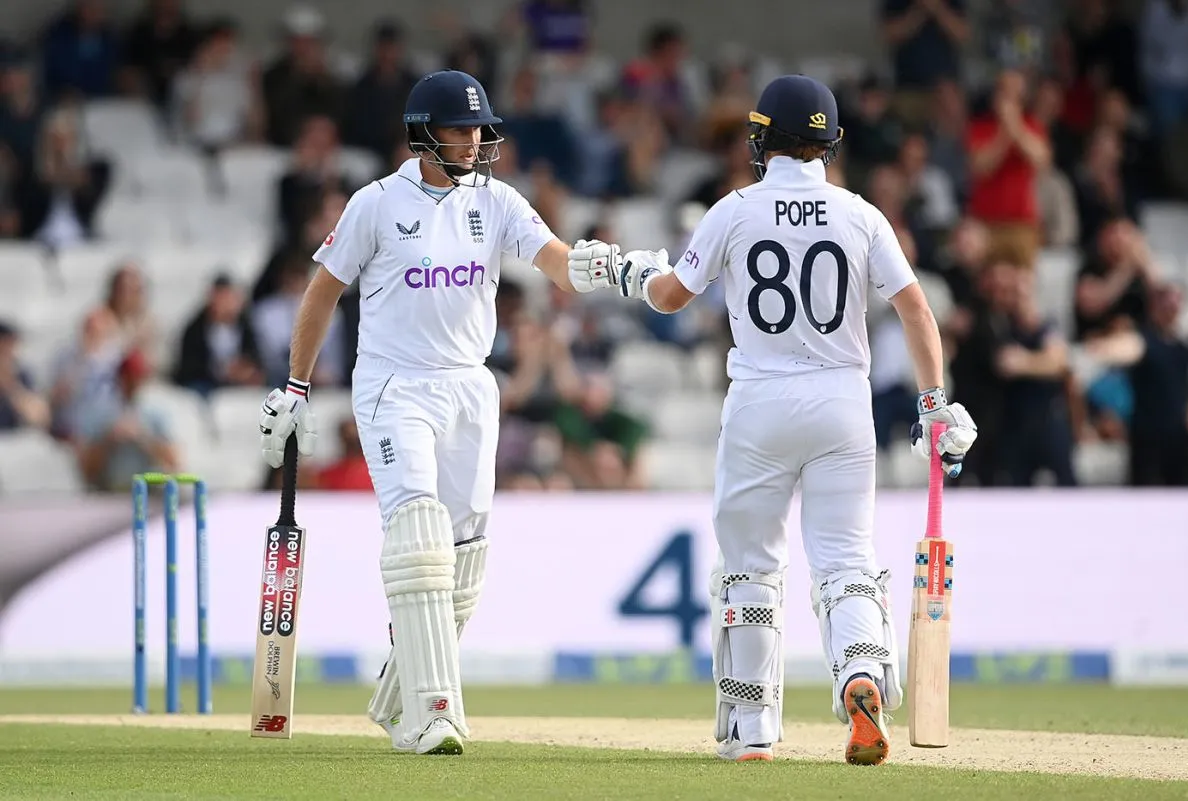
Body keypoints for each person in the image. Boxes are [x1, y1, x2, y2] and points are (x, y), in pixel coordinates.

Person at [256, 69, 622, 755]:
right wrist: (296, 387)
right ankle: (434, 711)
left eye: (480, 129)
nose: (476, 141)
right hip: (396, 385)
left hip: (470, 387)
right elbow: (320, 292)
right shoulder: (374, 203)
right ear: (424, 134)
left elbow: (559, 263)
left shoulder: (498, 201)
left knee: (464, 560)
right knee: (419, 532)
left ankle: (397, 694)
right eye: (460, 129)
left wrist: (616, 270)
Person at [613, 75, 978, 764]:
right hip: (843, 403)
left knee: (750, 567)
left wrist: (632, 274)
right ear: (829, 144)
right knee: (846, 563)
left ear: (761, 139)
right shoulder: (862, 214)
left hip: (760, 402)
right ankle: (860, 674)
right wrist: (933, 406)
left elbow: (668, 296)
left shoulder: (735, 209)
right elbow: (918, 312)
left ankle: (751, 728)